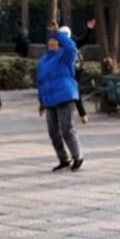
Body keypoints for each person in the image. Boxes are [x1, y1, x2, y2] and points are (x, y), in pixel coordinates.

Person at [38, 28, 84, 172]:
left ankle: (77, 156)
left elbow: (71, 46)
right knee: (53, 131)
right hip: (50, 99)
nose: (52, 42)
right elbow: (41, 81)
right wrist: (41, 102)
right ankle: (63, 159)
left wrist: (59, 33)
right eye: (50, 40)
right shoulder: (43, 60)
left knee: (66, 129)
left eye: (55, 40)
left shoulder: (65, 56)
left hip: (65, 96)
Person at [68, 19, 96, 124]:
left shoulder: (70, 42)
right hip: (67, 71)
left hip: (76, 69)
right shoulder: (58, 44)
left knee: (74, 90)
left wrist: (89, 29)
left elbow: (82, 40)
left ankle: (82, 114)